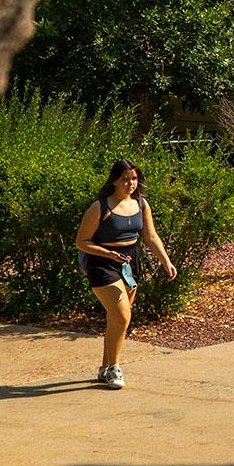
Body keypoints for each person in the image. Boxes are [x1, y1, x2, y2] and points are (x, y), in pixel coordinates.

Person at [74, 159, 176, 389]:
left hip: (130, 261)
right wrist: (109, 254)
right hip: (102, 263)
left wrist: (166, 261)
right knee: (122, 316)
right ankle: (115, 368)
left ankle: (104, 367)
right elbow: (81, 242)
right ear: (114, 180)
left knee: (116, 320)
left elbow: (151, 237)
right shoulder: (99, 207)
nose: (130, 183)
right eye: (125, 179)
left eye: (134, 179)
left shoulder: (141, 204)